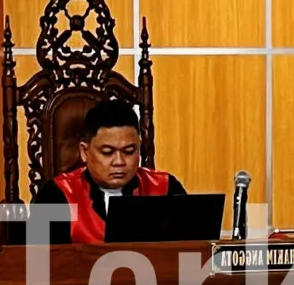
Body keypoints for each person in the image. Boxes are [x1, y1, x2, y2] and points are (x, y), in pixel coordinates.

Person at [30, 97, 187, 243]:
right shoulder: (57, 195)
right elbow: (31, 263)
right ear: (85, 152)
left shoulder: (165, 188)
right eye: (107, 152)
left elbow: (198, 252)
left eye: (129, 151)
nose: (119, 162)